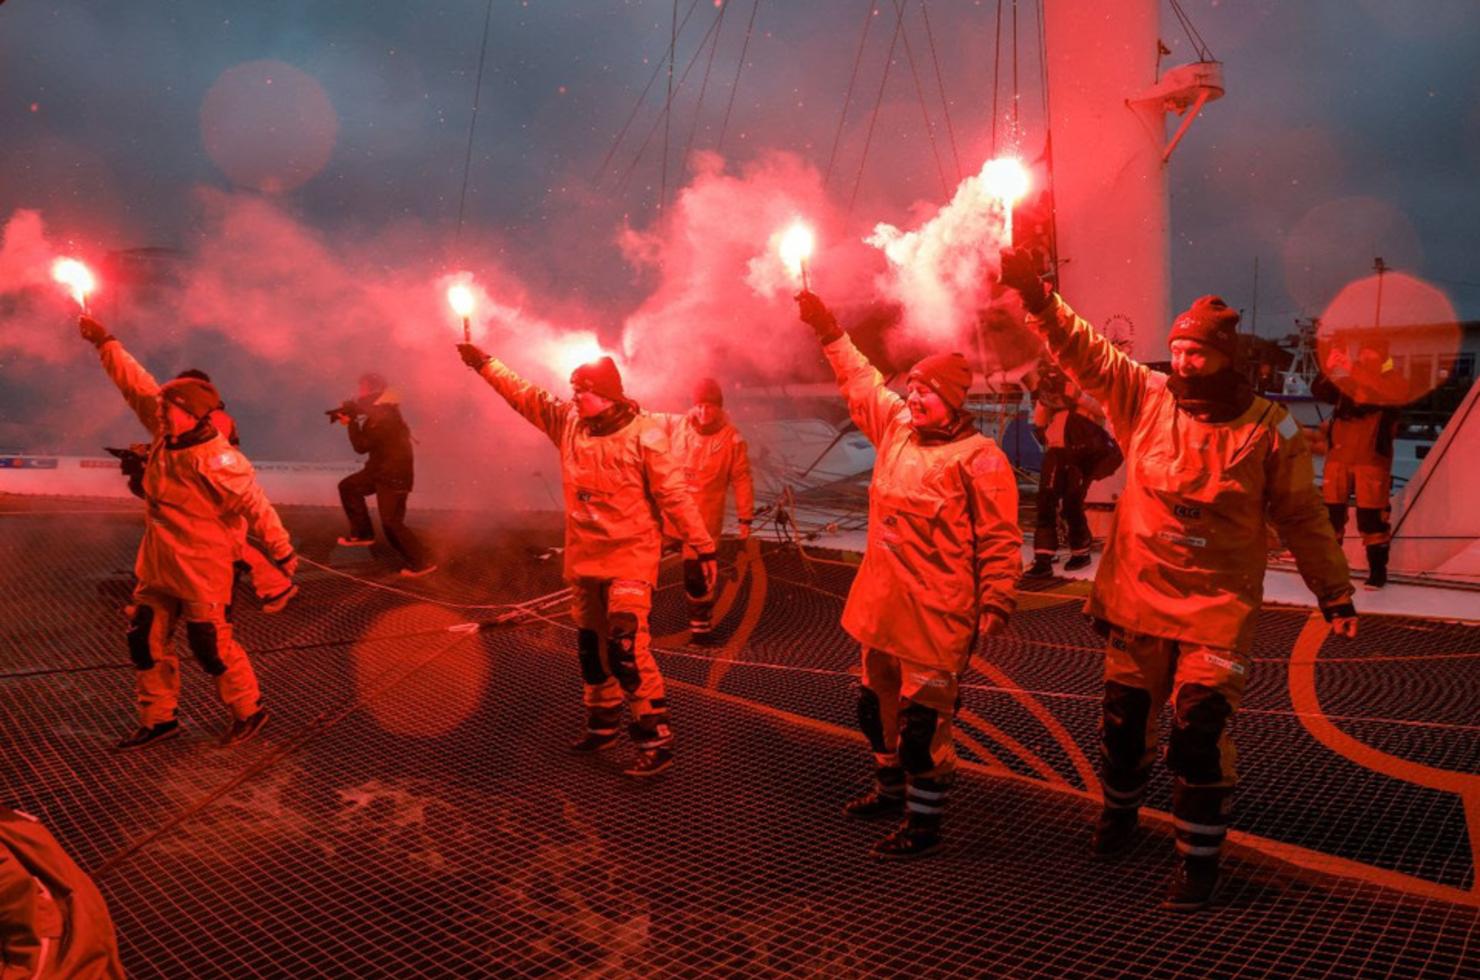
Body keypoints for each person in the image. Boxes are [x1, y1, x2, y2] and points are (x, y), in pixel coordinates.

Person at [999, 249, 1358, 910]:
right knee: (1123, 728)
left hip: (1215, 612)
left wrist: (1333, 592)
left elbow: (1303, 516)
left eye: (1198, 352)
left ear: (1226, 357)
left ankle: (1197, 860)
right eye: (1177, 350)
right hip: (1137, 599)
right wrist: (1038, 298)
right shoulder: (1147, 397)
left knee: (1199, 738)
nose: (1184, 362)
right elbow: (1086, 352)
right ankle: (1121, 812)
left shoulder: (1271, 430)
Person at [795, 291, 1021, 859]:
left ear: (952, 401)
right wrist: (828, 329)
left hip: (937, 618)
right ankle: (889, 789)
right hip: (882, 607)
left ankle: (924, 824)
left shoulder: (980, 459)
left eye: (927, 391)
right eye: (912, 388)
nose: (914, 398)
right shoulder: (895, 428)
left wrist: (997, 598)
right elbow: (860, 380)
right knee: (876, 708)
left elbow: (1000, 539)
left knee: (923, 726)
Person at [456, 341, 717, 777]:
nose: (574, 396)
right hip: (585, 558)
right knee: (592, 649)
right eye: (573, 389)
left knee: (626, 647)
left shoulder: (646, 434)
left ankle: (656, 740)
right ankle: (602, 723)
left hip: (630, 557)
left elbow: (673, 494)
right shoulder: (569, 423)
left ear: (607, 395)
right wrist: (485, 363)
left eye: (583, 390)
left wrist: (702, 546)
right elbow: (524, 394)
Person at [78, 315, 295, 749]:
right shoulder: (165, 431)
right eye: (161, 406)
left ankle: (249, 709)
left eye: (168, 407)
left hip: (202, 566)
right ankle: (159, 719)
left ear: (192, 413)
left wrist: (282, 551)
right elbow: (134, 383)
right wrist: (105, 342)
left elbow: (255, 504)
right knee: (145, 638)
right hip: (159, 562)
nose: (159, 410)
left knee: (210, 645)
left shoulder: (216, 458)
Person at [172, 368, 297, 613]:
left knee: (228, 546)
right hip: (206, 492)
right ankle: (275, 586)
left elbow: (217, 457)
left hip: (215, 493)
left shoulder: (216, 419)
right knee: (217, 545)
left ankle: (275, 586)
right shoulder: (200, 418)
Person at [665, 377, 756, 640]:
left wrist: (745, 518)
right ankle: (635, 622)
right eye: (700, 406)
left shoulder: (731, 439)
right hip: (670, 516)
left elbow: (741, 479)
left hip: (703, 521)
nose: (704, 412)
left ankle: (701, 629)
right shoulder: (679, 426)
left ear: (719, 408)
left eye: (710, 407)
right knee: (643, 563)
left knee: (698, 577)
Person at [1311, 345, 1407, 589]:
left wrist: (1351, 369)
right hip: (1338, 459)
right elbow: (1320, 391)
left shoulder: (1392, 382)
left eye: (1370, 356)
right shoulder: (1347, 383)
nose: (1364, 360)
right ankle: (1331, 569)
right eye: (1362, 357)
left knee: (1372, 519)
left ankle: (1377, 572)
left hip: (1371, 461)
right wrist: (1328, 368)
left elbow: (1386, 393)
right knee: (1330, 517)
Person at [332, 373, 435, 577]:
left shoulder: (384, 414)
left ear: (373, 389)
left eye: (362, 388)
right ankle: (363, 534)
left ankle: (422, 562)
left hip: (394, 476)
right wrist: (351, 414)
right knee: (349, 487)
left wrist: (351, 422)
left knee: (391, 523)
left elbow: (361, 446)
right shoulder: (382, 409)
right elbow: (366, 409)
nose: (359, 393)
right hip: (379, 471)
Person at [1027, 365, 1109, 577]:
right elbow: (1039, 421)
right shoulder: (1054, 400)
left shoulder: (1088, 389)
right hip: (1056, 453)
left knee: (1072, 505)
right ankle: (1043, 558)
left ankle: (1080, 553)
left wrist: (1077, 395)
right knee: (1046, 503)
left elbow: (1103, 411)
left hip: (1081, 455)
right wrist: (1045, 398)